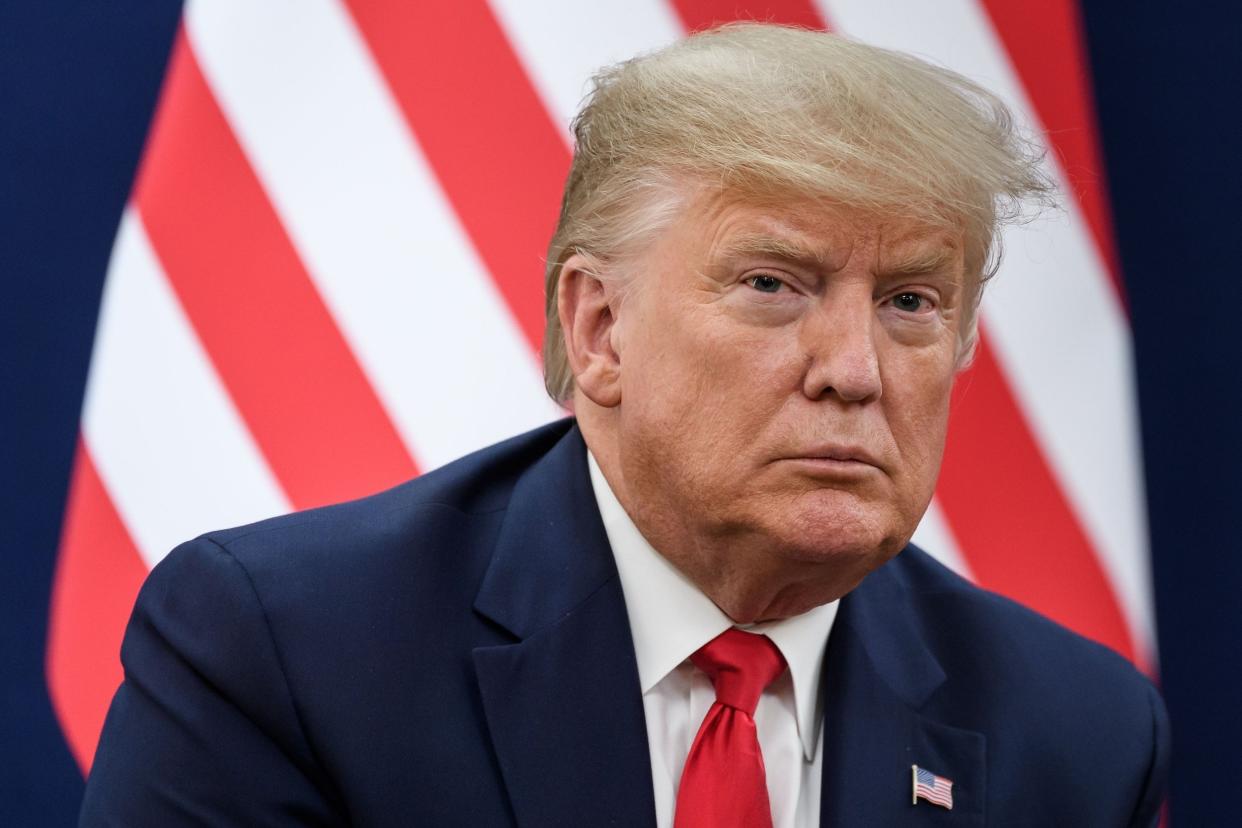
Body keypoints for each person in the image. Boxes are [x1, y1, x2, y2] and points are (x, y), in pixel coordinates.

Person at [81, 23, 1168, 827]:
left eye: (911, 303)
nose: (854, 370)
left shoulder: (1079, 739)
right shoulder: (285, 656)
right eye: (774, 284)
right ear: (599, 328)